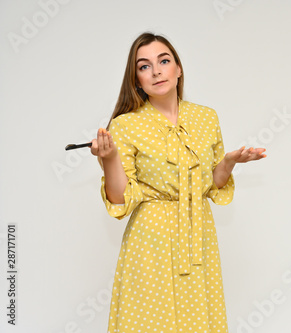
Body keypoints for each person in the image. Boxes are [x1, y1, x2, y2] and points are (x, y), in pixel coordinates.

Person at [91, 32, 266, 332]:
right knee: (149, 321)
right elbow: (121, 200)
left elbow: (210, 185)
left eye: (164, 60)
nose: (156, 71)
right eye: (144, 66)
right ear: (136, 80)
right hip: (150, 241)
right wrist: (109, 160)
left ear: (178, 68)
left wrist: (228, 163)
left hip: (199, 236)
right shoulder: (125, 125)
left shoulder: (206, 118)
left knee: (198, 319)